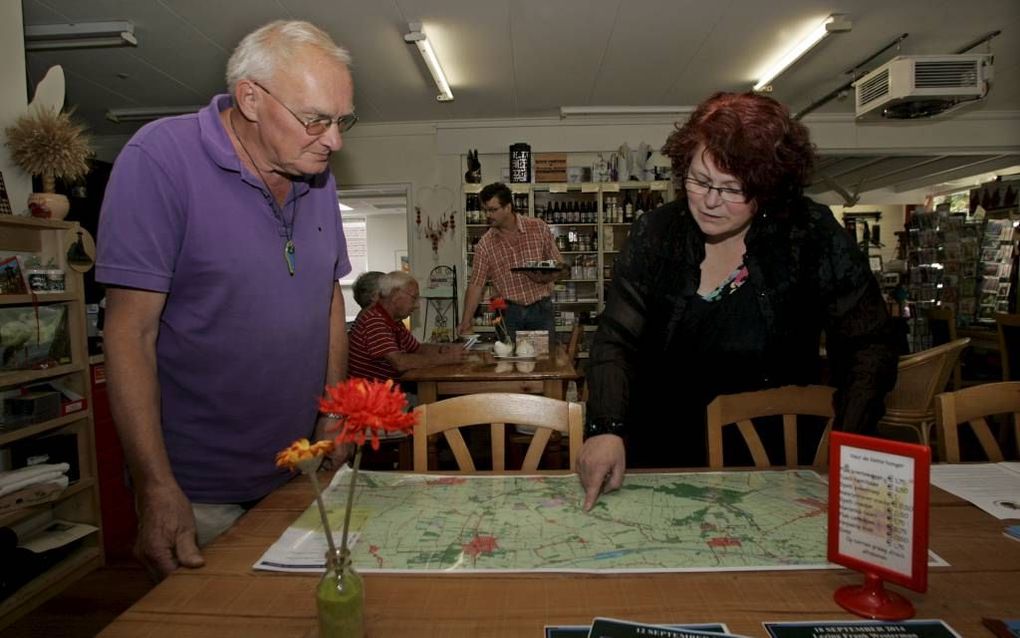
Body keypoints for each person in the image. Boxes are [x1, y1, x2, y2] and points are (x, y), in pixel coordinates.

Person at [96, 20, 357, 578]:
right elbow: (128, 334)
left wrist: (333, 417)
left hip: (297, 470)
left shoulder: (317, 176)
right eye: (316, 120)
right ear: (251, 99)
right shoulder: (160, 159)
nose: (333, 140)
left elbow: (328, 298)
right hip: (200, 490)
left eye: (341, 121)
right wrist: (155, 485)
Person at [577, 92, 899, 510]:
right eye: (699, 180)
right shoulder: (656, 233)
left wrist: (851, 441)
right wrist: (606, 426)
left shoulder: (810, 233)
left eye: (733, 189)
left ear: (768, 187)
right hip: (660, 448)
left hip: (772, 461)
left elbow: (868, 343)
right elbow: (615, 341)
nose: (710, 201)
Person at [457, 182, 563, 344]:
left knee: (544, 362)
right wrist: (466, 321)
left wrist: (543, 277)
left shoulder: (538, 228)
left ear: (508, 207)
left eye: (493, 210)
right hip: (507, 313)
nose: (488, 215)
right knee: (508, 363)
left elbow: (559, 265)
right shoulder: (485, 244)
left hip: (540, 308)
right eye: (485, 210)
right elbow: (476, 284)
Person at [349, 271, 464, 383]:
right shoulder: (374, 320)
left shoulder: (394, 321)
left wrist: (444, 349)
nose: (417, 305)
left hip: (389, 392)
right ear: (395, 295)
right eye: (414, 298)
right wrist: (446, 359)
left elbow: (418, 349)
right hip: (372, 398)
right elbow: (400, 362)